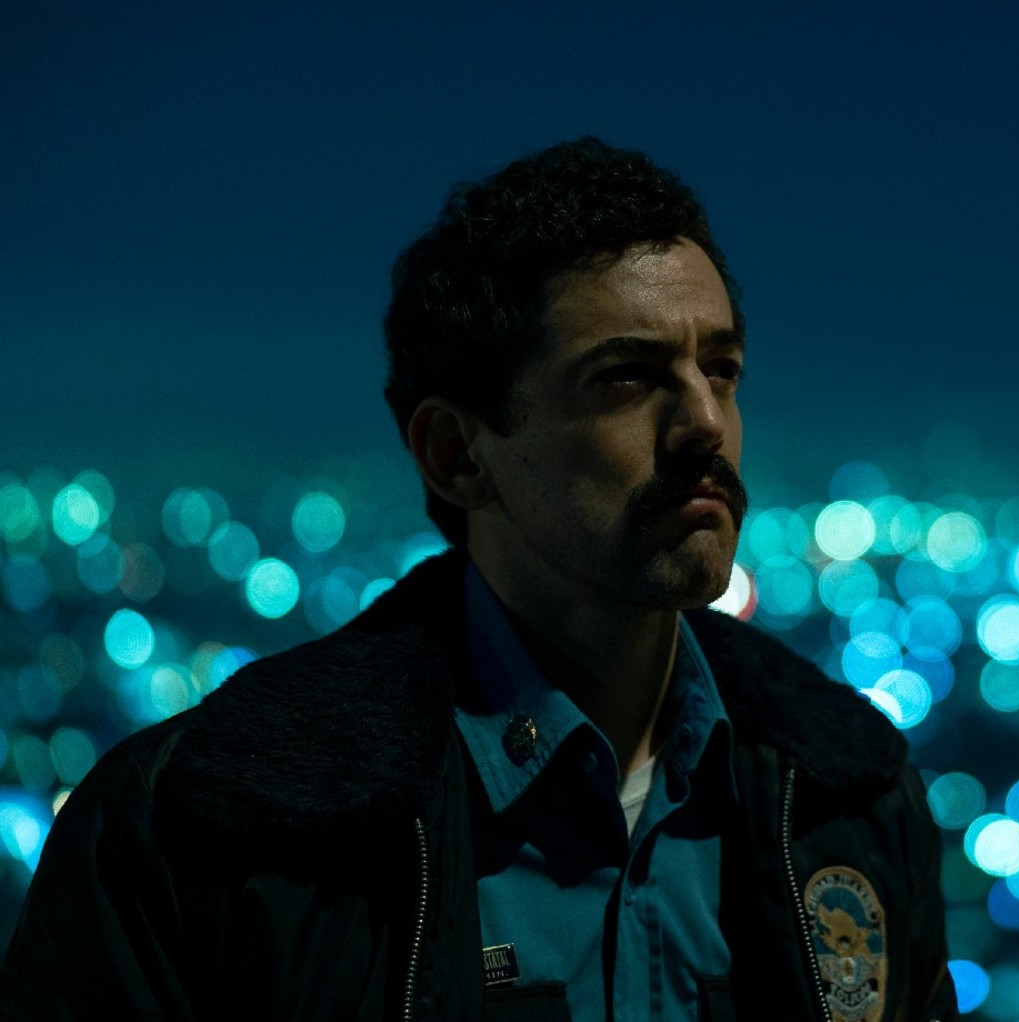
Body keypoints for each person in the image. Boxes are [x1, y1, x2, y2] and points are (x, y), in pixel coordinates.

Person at [0, 137, 958, 1021]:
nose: (704, 422)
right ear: (457, 453)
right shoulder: (203, 835)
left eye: (723, 368)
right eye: (626, 378)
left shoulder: (844, 791)